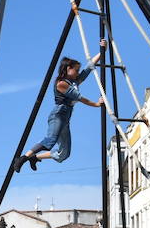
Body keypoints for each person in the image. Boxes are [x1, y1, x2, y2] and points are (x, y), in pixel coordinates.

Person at [17, 40, 106, 170]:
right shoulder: (61, 84)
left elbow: (88, 68)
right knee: (50, 141)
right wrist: (97, 104)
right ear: (68, 69)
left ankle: (35, 157)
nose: (78, 72)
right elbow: (80, 98)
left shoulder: (74, 81)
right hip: (58, 114)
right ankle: (23, 158)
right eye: (76, 70)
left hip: (66, 118)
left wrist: (102, 50)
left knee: (64, 153)